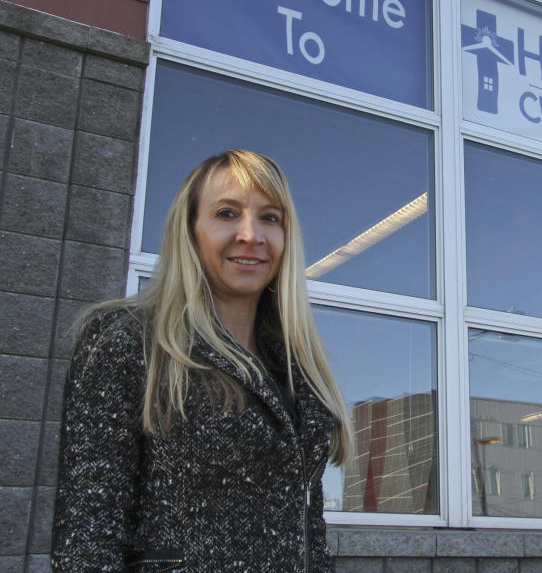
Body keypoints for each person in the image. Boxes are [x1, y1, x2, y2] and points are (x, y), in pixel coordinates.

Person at [51, 150, 351, 572]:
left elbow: (308, 530)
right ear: (190, 230)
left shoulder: (297, 367)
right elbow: (88, 535)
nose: (251, 235)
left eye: (270, 217)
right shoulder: (128, 339)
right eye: (227, 213)